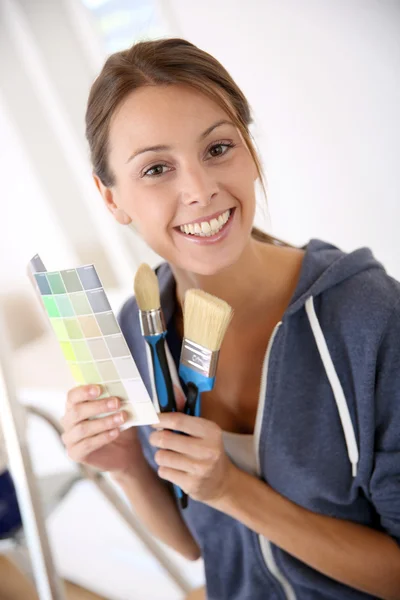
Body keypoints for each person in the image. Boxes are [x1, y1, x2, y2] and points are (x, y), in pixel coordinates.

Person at [60, 38, 400, 600]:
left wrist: (230, 489)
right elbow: (200, 546)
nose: (199, 190)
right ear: (111, 198)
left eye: (217, 149)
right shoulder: (137, 328)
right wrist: (126, 466)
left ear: (249, 148)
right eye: (157, 168)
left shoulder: (370, 320)